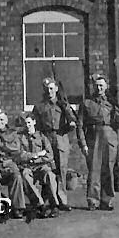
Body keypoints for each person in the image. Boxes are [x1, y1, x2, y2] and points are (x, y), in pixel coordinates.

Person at [32, 77, 87, 211]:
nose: (49, 91)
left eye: (51, 88)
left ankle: (62, 200)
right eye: (46, 89)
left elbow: (74, 121)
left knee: (61, 169)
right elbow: (36, 124)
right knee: (46, 169)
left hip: (61, 137)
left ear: (56, 89)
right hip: (46, 138)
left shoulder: (63, 105)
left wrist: (71, 124)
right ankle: (48, 200)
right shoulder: (39, 107)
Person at [79, 73, 119, 211]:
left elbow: (117, 124)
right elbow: (80, 125)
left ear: (106, 87)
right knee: (94, 170)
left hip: (109, 138)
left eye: (101, 85)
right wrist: (83, 144)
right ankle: (93, 201)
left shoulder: (112, 104)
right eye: (96, 86)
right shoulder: (87, 103)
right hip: (93, 138)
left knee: (108, 169)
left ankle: (107, 201)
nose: (99, 88)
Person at [18, 113, 59, 218]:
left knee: (50, 175)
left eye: (29, 122)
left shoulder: (41, 137)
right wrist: (37, 154)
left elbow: (49, 155)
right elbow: (20, 155)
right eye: (25, 123)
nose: (27, 125)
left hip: (41, 166)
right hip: (27, 167)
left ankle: (54, 205)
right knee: (25, 175)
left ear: (34, 122)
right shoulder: (20, 137)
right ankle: (40, 205)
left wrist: (34, 159)